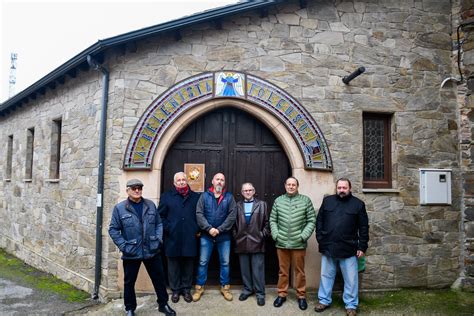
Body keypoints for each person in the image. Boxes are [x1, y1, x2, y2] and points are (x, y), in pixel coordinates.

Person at [108, 179, 176, 316]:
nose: (137, 190)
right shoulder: (120, 208)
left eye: (139, 188)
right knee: (129, 282)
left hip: (152, 249)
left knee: (159, 279)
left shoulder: (150, 205)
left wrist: (158, 240)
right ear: (127, 190)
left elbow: (159, 224)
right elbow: (113, 230)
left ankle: (163, 304)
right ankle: (130, 308)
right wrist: (124, 246)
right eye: (134, 188)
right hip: (131, 252)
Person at [314, 178, 369, 316]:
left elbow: (363, 228)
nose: (342, 190)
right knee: (326, 276)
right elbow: (319, 221)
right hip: (329, 246)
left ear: (349, 188)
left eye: (344, 188)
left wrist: (362, 246)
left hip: (349, 249)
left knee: (351, 280)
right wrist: (320, 239)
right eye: (339, 187)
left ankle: (351, 305)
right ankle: (324, 300)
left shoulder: (358, 204)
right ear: (336, 188)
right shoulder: (328, 202)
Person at [270, 176, 316, 311]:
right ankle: (282, 294)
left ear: (297, 186)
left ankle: (301, 296)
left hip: (298, 243)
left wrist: (303, 236)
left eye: (293, 185)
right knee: (283, 271)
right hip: (281, 242)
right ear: (285, 186)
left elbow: (311, 220)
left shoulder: (305, 201)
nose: (291, 187)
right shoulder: (278, 201)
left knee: (300, 272)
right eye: (288, 184)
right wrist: (276, 234)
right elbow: (273, 220)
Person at [193, 172, 236, 302]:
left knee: (225, 263)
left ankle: (225, 287)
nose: (219, 182)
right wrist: (209, 228)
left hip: (224, 237)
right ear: (212, 181)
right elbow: (199, 214)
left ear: (224, 183)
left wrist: (219, 230)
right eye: (217, 179)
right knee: (202, 262)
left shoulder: (229, 197)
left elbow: (232, 216)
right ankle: (199, 288)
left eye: (222, 180)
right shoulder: (204, 196)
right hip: (206, 236)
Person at [158, 172, 200, 304]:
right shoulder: (166, 197)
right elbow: (160, 216)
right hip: (172, 237)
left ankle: (186, 290)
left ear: (187, 181)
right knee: (173, 265)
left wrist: (196, 228)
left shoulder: (195, 197)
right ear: (174, 183)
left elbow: (200, 215)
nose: (181, 182)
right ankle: (175, 290)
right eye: (179, 180)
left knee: (188, 264)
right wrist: (169, 227)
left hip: (189, 236)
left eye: (183, 179)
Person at [233, 182, 270, 306]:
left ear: (254, 191)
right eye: (245, 190)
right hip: (241, 241)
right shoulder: (237, 205)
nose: (247, 192)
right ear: (242, 193)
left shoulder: (262, 204)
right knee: (245, 270)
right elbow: (233, 224)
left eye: (250, 190)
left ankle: (260, 293)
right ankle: (247, 290)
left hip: (257, 241)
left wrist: (261, 235)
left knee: (258, 270)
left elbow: (267, 223)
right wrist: (236, 235)